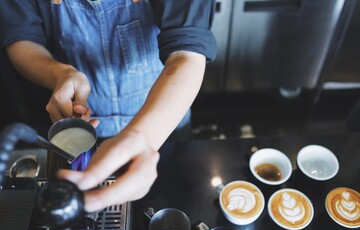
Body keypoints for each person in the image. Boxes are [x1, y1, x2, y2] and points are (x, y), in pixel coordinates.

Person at [0, 0, 217, 212]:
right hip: (86, 127)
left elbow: (186, 53)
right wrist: (58, 74)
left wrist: (144, 138)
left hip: (163, 117)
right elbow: (22, 38)